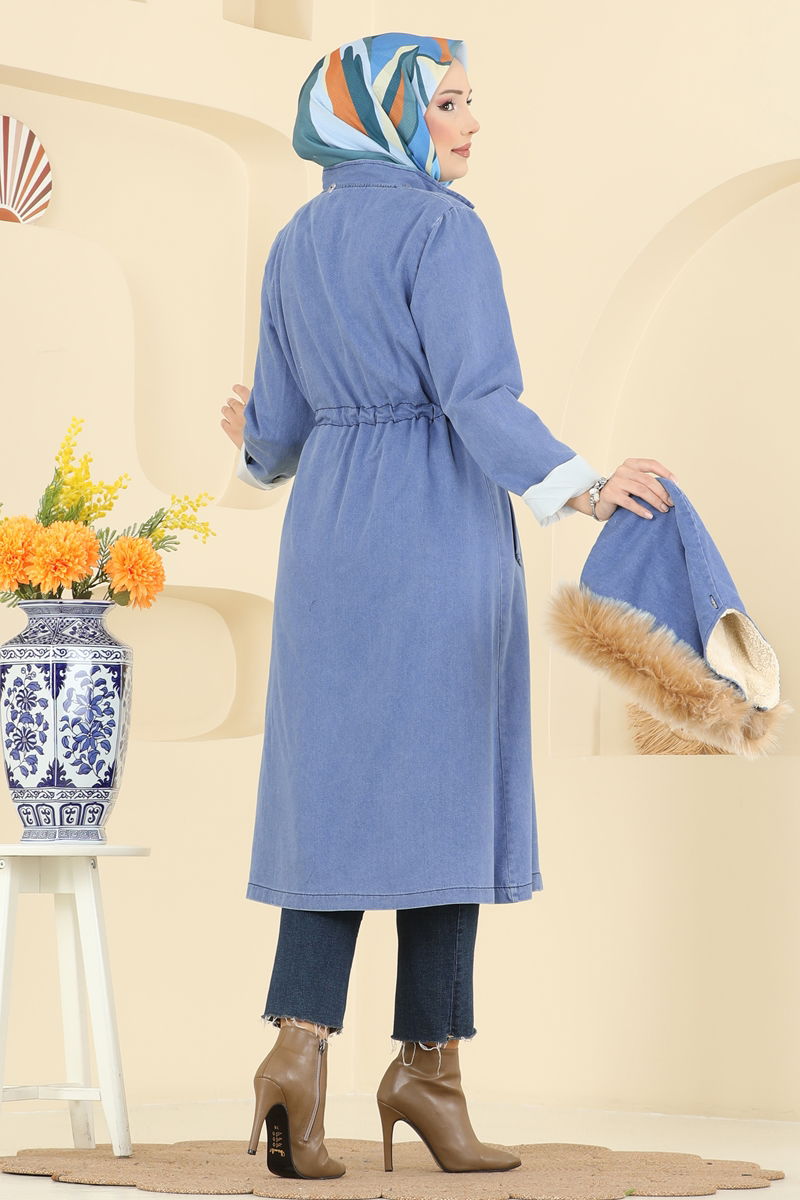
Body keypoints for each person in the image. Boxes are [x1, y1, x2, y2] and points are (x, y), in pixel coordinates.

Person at [220, 32, 678, 1182]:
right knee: (442, 799)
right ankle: (428, 1069)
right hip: (430, 529)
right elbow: (477, 398)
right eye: (447, 104)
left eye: (470, 102)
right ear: (384, 116)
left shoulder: (296, 240)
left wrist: (251, 437)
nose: (470, 124)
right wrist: (584, 487)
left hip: (327, 538)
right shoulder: (441, 228)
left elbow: (275, 430)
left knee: (332, 802)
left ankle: (294, 1055)